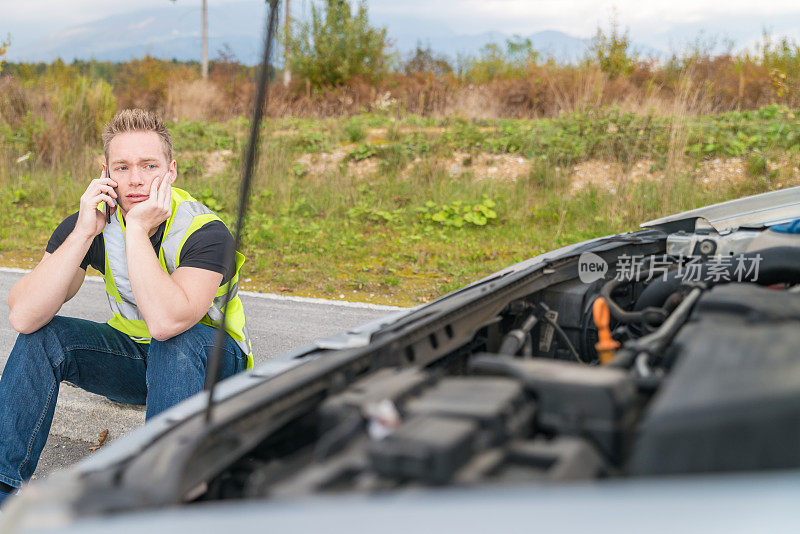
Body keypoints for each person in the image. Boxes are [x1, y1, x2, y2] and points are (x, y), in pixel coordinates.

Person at [0, 109, 253, 507]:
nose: (135, 179)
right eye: (122, 167)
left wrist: (136, 228)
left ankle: (155, 503)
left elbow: (168, 322)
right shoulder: (93, 222)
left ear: (171, 172)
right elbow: (24, 316)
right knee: (44, 336)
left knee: (175, 339)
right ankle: (2, 489)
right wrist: (84, 231)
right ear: (106, 173)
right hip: (141, 364)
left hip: (212, 367)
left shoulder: (205, 230)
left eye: (148, 165)